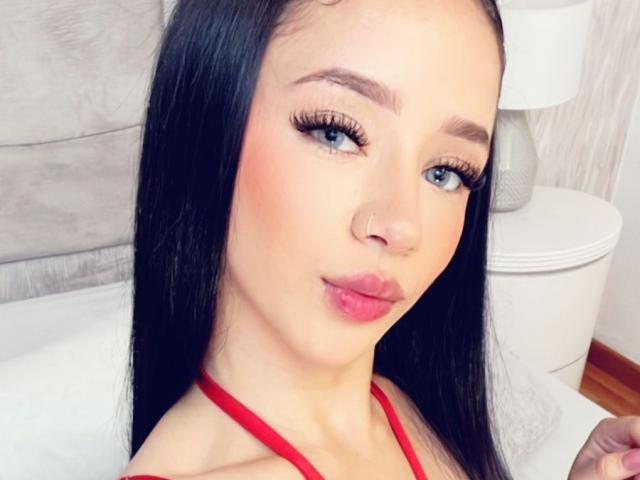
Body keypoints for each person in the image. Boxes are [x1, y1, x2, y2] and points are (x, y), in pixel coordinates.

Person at [118, 0, 640, 478]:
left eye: (446, 172)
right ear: (207, 123)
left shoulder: (415, 406)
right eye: (336, 132)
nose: (403, 227)